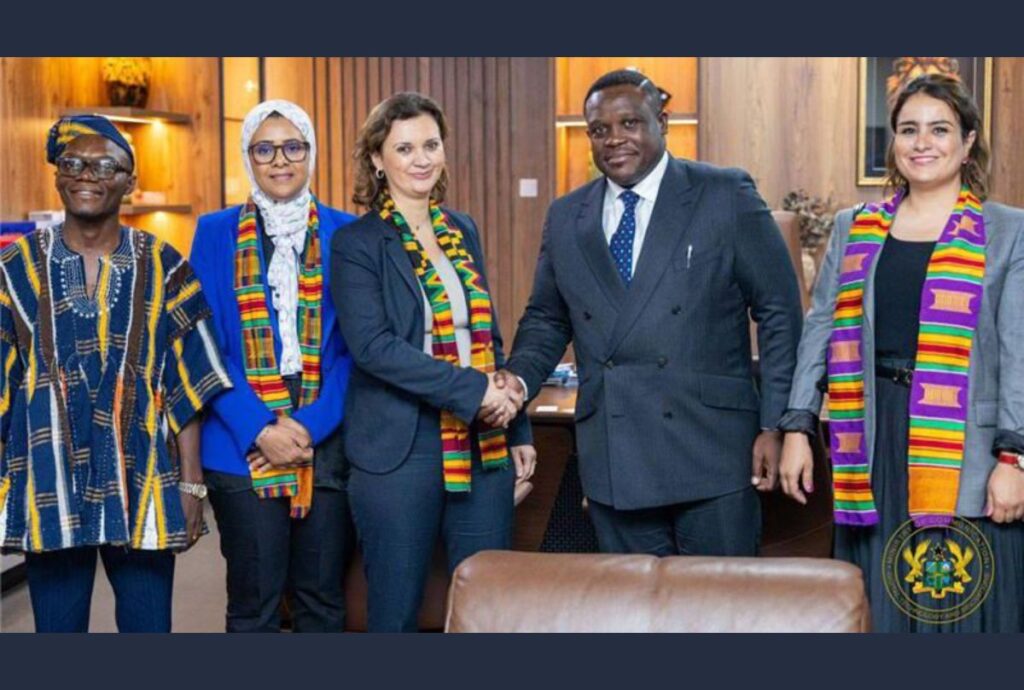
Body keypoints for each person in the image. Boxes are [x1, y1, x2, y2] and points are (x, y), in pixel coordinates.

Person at [500, 70, 803, 557]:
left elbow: (780, 312)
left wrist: (777, 424)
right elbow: (546, 319)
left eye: (630, 123)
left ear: (661, 122)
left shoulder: (724, 194)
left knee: (720, 602)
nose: (614, 139)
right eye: (599, 130)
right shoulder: (567, 216)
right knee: (630, 603)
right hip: (616, 457)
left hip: (713, 452)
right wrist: (517, 381)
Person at [779, 74, 1024, 632]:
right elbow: (820, 327)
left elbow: (1019, 353)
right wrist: (796, 426)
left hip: (967, 444)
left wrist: (1013, 459)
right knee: (878, 602)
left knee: (960, 603)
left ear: (967, 142)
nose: (922, 143)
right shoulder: (855, 227)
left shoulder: (1008, 231)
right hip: (873, 437)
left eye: (940, 129)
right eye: (909, 130)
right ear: (893, 142)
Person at [0, 115, 231, 632]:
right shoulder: (15, 268)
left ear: (129, 182)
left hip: (142, 478)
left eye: (105, 166)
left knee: (148, 631)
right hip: (49, 480)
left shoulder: (165, 265)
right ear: (57, 176)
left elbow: (188, 385)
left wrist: (191, 486)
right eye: (73, 163)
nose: (87, 175)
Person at [331, 92, 535, 632]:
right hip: (400, 449)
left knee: (486, 607)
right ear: (377, 160)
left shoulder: (462, 229)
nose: (421, 159)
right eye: (404, 148)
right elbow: (374, 347)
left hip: (482, 443)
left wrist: (518, 427)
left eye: (430, 145)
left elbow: (486, 334)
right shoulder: (356, 243)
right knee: (395, 613)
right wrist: (473, 390)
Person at [189, 100, 355, 632]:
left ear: (311, 153)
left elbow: (356, 348)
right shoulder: (214, 232)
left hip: (325, 439)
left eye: (293, 147)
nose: (280, 160)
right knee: (254, 605)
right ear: (248, 157)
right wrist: (260, 428)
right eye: (265, 149)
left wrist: (307, 427)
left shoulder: (347, 232)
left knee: (321, 602)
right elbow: (203, 343)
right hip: (240, 440)